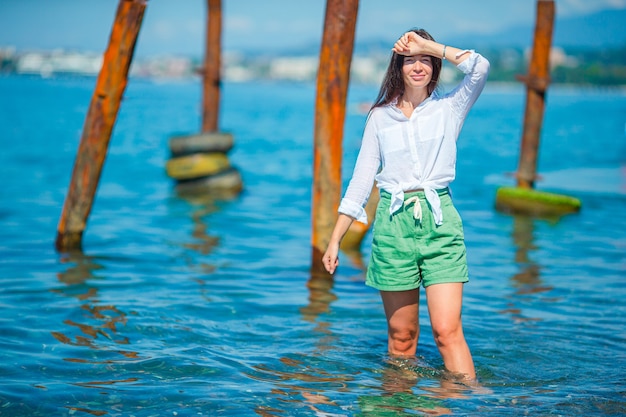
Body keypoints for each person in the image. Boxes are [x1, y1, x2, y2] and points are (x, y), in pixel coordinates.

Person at [322, 28, 489, 381]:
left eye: (425, 61)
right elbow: (361, 181)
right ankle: (397, 404)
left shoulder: (449, 109)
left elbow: (480, 67)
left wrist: (429, 45)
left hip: (439, 224)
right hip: (392, 226)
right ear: (397, 67)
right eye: (409, 60)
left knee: (446, 332)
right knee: (402, 339)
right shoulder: (380, 117)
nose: (418, 66)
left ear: (435, 65)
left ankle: (468, 403)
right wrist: (335, 239)